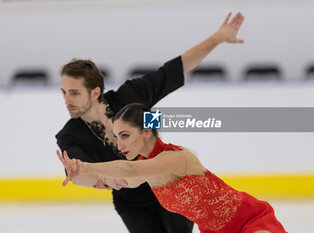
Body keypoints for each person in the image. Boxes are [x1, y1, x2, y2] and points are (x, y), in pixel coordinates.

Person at [56, 12, 245, 233]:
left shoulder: (130, 95)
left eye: (74, 93)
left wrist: (218, 37)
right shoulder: (69, 135)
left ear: (95, 92)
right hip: (130, 200)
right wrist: (103, 179)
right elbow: (79, 173)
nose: (66, 100)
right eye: (64, 93)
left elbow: (176, 69)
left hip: (168, 182)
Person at [57, 103, 287, 233]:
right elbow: (120, 178)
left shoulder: (176, 157)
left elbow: (129, 171)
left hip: (250, 219)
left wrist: (86, 164)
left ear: (147, 131)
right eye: (117, 137)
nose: (119, 145)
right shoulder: (145, 170)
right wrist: (81, 172)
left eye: (125, 135)